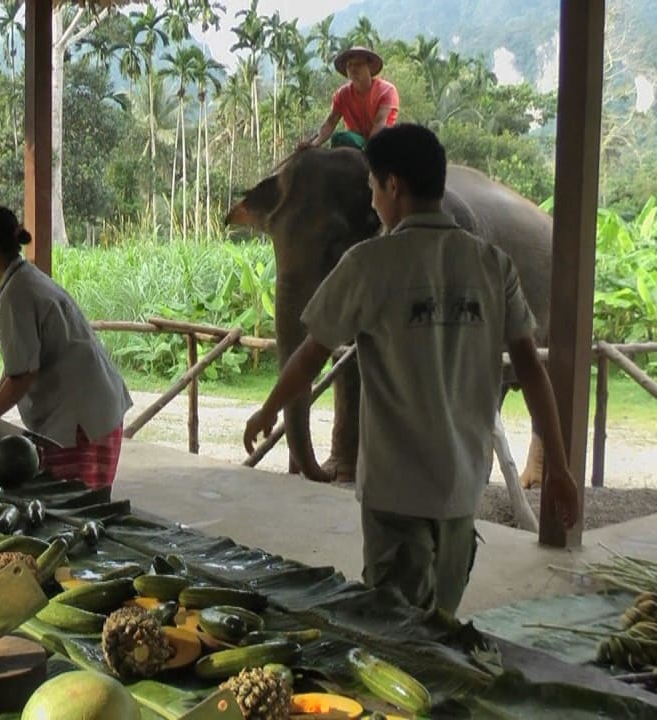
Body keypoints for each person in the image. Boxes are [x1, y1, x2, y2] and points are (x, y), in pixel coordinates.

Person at [244, 124, 580, 616]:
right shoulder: (493, 265)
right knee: (441, 626)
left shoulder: (369, 263)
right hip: (463, 490)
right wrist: (562, 469)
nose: (373, 200)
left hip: (395, 495)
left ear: (393, 187)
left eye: (374, 188)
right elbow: (531, 373)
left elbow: (310, 354)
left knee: (395, 633)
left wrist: (269, 408)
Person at [0, 205, 133, 490]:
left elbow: (24, 375)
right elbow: (16, 367)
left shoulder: (16, 294)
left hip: (82, 422)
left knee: (74, 509)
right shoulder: (23, 280)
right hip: (94, 413)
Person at [297, 46, 399, 152]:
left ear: (370, 67)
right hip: (356, 143)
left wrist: (369, 151)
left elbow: (379, 122)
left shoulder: (387, 90)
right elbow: (330, 122)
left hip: (382, 141)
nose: (353, 68)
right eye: (349, 65)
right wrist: (314, 144)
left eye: (358, 64)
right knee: (340, 138)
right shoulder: (342, 94)